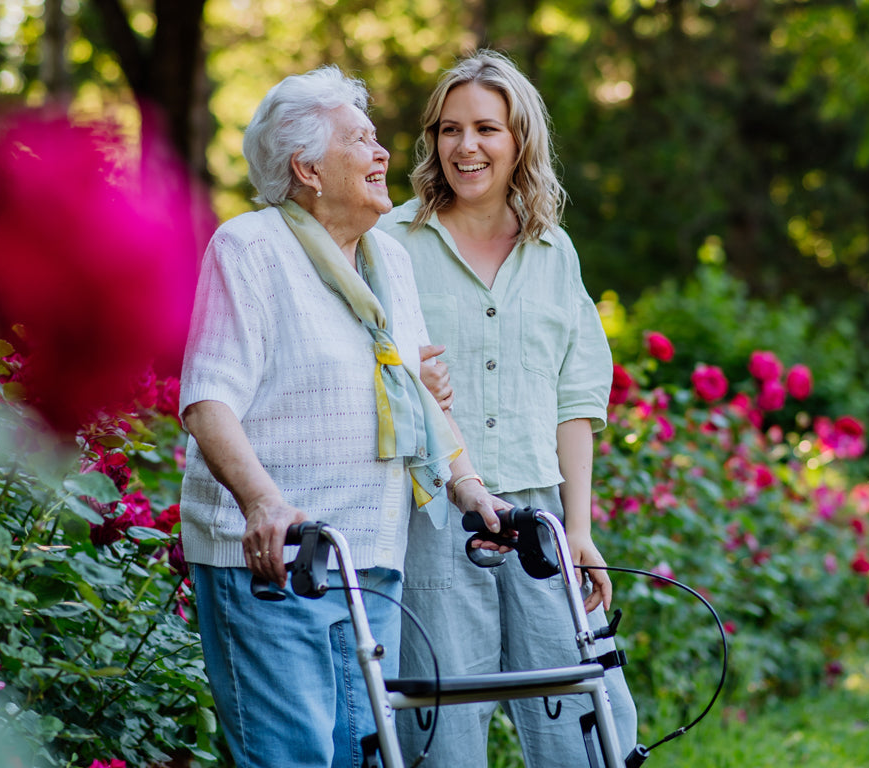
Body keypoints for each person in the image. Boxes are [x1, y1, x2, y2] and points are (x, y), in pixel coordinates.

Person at [178, 66, 505, 768]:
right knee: (291, 756)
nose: (384, 153)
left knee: (363, 756)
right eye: (360, 140)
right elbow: (208, 400)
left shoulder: (386, 258)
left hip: (369, 559)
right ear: (307, 168)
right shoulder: (252, 248)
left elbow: (413, 390)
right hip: (274, 560)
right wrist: (264, 502)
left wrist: (469, 485)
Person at [378, 50, 638, 767]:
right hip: (432, 516)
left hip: (540, 520)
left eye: (487, 128)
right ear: (431, 140)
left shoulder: (554, 251)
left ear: (520, 139)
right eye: (450, 129)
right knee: (440, 733)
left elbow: (576, 399)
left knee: (588, 725)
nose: (466, 147)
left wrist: (579, 531)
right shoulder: (390, 245)